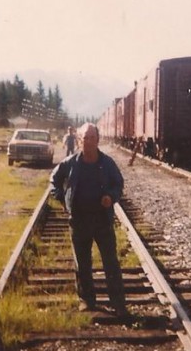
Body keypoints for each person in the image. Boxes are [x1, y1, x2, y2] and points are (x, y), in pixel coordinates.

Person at [50, 123, 132, 319]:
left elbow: (118, 184)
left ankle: (118, 304)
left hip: (102, 220)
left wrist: (111, 197)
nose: (88, 142)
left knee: (110, 262)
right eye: (84, 138)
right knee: (83, 263)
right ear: (79, 140)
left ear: (98, 140)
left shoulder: (107, 163)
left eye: (92, 138)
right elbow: (54, 180)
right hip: (79, 220)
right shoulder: (70, 163)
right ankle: (87, 301)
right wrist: (61, 198)